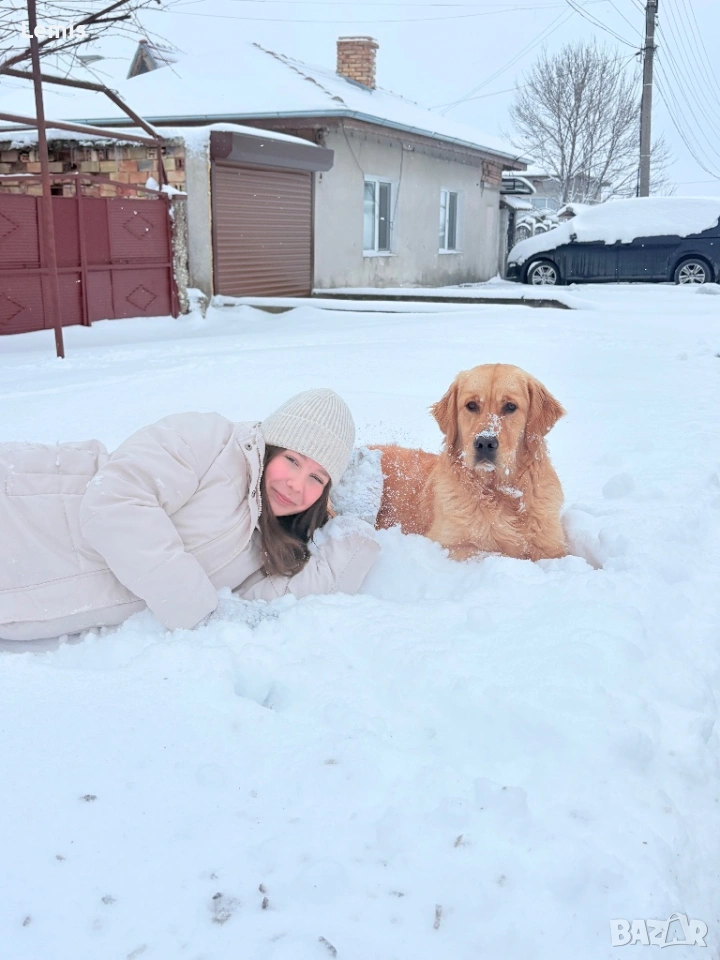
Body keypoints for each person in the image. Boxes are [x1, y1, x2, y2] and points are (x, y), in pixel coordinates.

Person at [0, 389, 380, 642]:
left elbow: (291, 600)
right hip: (20, 510)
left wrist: (357, 525)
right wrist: (198, 612)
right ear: (272, 447)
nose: (297, 484)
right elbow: (114, 503)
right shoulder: (210, 439)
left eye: (317, 477)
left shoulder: (266, 541)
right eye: (292, 460)